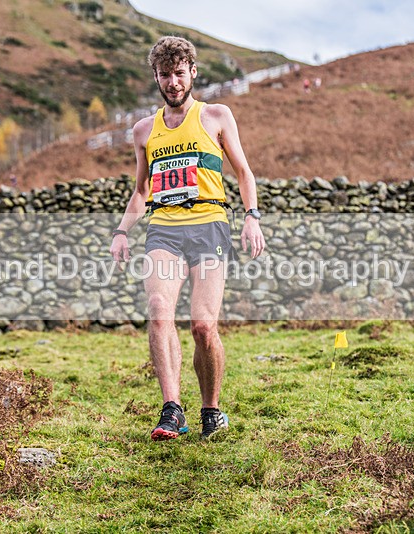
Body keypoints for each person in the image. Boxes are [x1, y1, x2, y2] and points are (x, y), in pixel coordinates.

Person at [110, 36, 265, 441]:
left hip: (210, 224)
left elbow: (244, 173)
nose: (173, 82)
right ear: (156, 78)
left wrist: (251, 217)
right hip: (164, 228)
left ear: (193, 73)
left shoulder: (216, 116)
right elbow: (142, 191)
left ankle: (211, 409)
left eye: (180, 73)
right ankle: (172, 409)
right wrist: (121, 231)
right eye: (165, 75)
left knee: (202, 327)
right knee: (159, 307)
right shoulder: (144, 131)